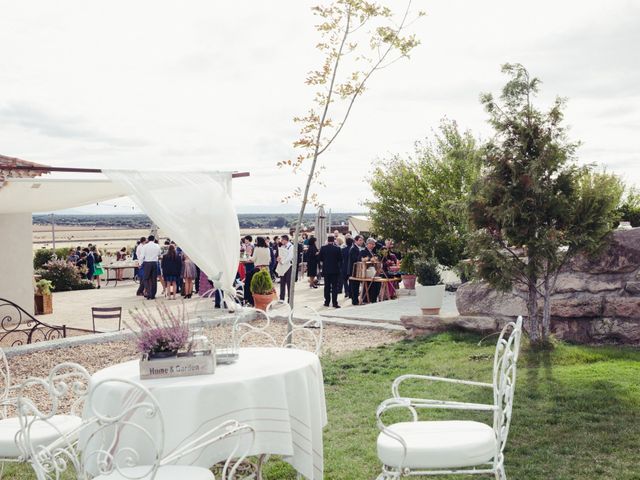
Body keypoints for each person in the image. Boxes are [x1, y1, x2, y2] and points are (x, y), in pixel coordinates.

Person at [319, 235, 342, 308]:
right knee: (335, 287)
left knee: (327, 286)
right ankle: (335, 303)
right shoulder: (337, 249)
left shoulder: (323, 248)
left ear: (327, 240)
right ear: (334, 240)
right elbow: (340, 259)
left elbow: (320, 258)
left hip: (326, 270)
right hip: (335, 270)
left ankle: (326, 302)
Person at [140, 235, 161, 299]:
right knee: (154, 279)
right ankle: (153, 294)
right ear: (154, 239)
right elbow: (159, 254)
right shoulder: (157, 246)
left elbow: (142, 256)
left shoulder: (145, 246)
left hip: (147, 263)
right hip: (154, 263)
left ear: (148, 240)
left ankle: (148, 293)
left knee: (146, 279)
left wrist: (140, 264)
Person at [360, 237, 381, 303]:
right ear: (368, 244)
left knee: (377, 283)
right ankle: (366, 299)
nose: (373, 246)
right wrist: (369, 259)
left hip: (373, 271)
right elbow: (361, 259)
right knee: (370, 284)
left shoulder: (373, 251)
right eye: (372, 244)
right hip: (367, 271)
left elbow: (377, 258)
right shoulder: (363, 251)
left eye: (374, 244)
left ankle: (373, 298)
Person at [276, 234, 294, 302]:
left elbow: (290, 257)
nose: (281, 241)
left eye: (282, 240)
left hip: (288, 266)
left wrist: (283, 262)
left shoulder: (291, 247)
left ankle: (290, 298)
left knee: (289, 283)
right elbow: (279, 255)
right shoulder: (282, 246)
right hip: (282, 266)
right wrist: (278, 259)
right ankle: (281, 298)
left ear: (285, 240)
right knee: (282, 282)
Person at [348, 235, 364, 305]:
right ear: (356, 241)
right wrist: (362, 259)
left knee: (356, 286)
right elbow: (355, 259)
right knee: (354, 286)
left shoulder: (358, 248)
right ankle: (355, 301)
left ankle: (356, 300)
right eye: (360, 240)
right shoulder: (353, 248)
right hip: (354, 270)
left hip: (358, 270)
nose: (362, 241)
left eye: (362, 240)